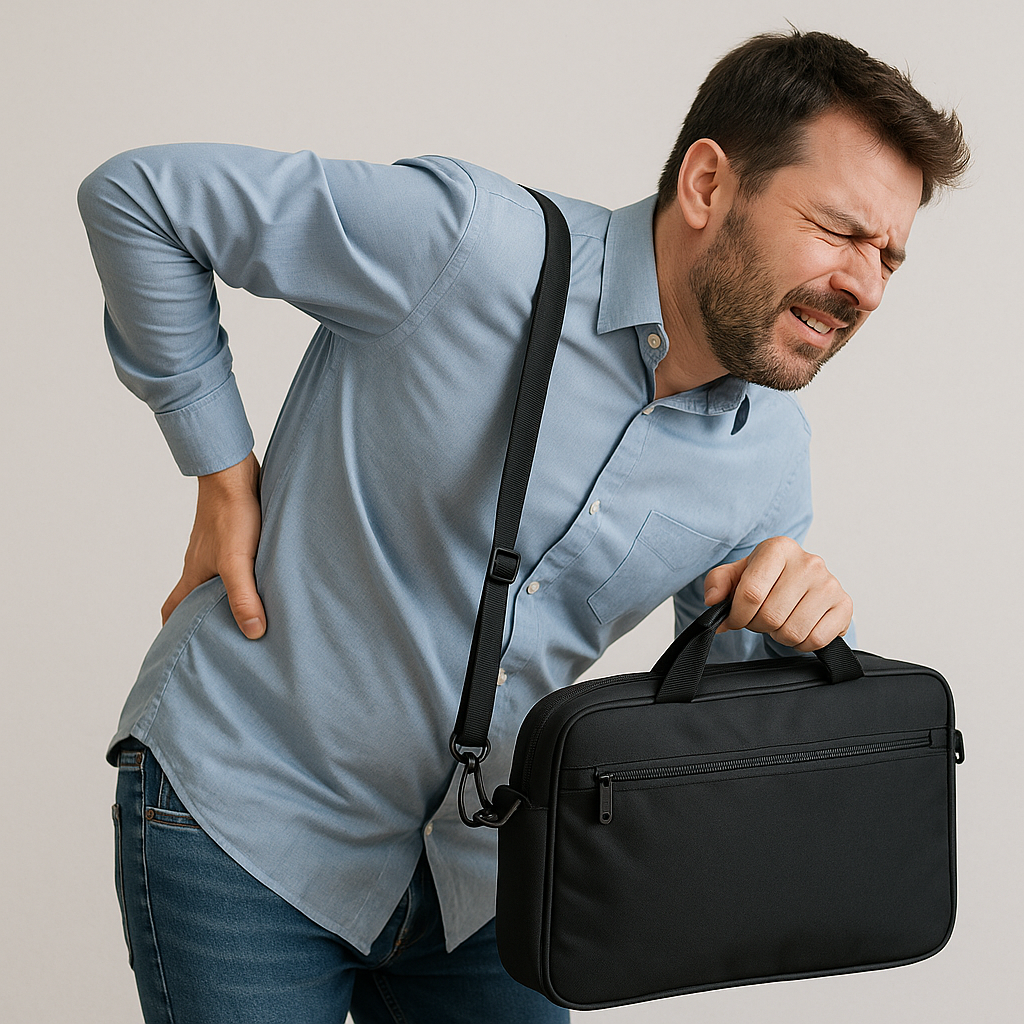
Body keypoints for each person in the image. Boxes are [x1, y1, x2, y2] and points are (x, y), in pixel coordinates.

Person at [79, 29, 968, 1024]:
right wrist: (221, 472)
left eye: (889, 255)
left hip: (477, 880)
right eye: (839, 231)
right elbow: (139, 196)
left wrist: (784, 632)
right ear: (708, 183)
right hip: (243, 815)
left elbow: (709, 742)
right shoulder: (464, 243)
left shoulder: (770, 457)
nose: (865, 285)